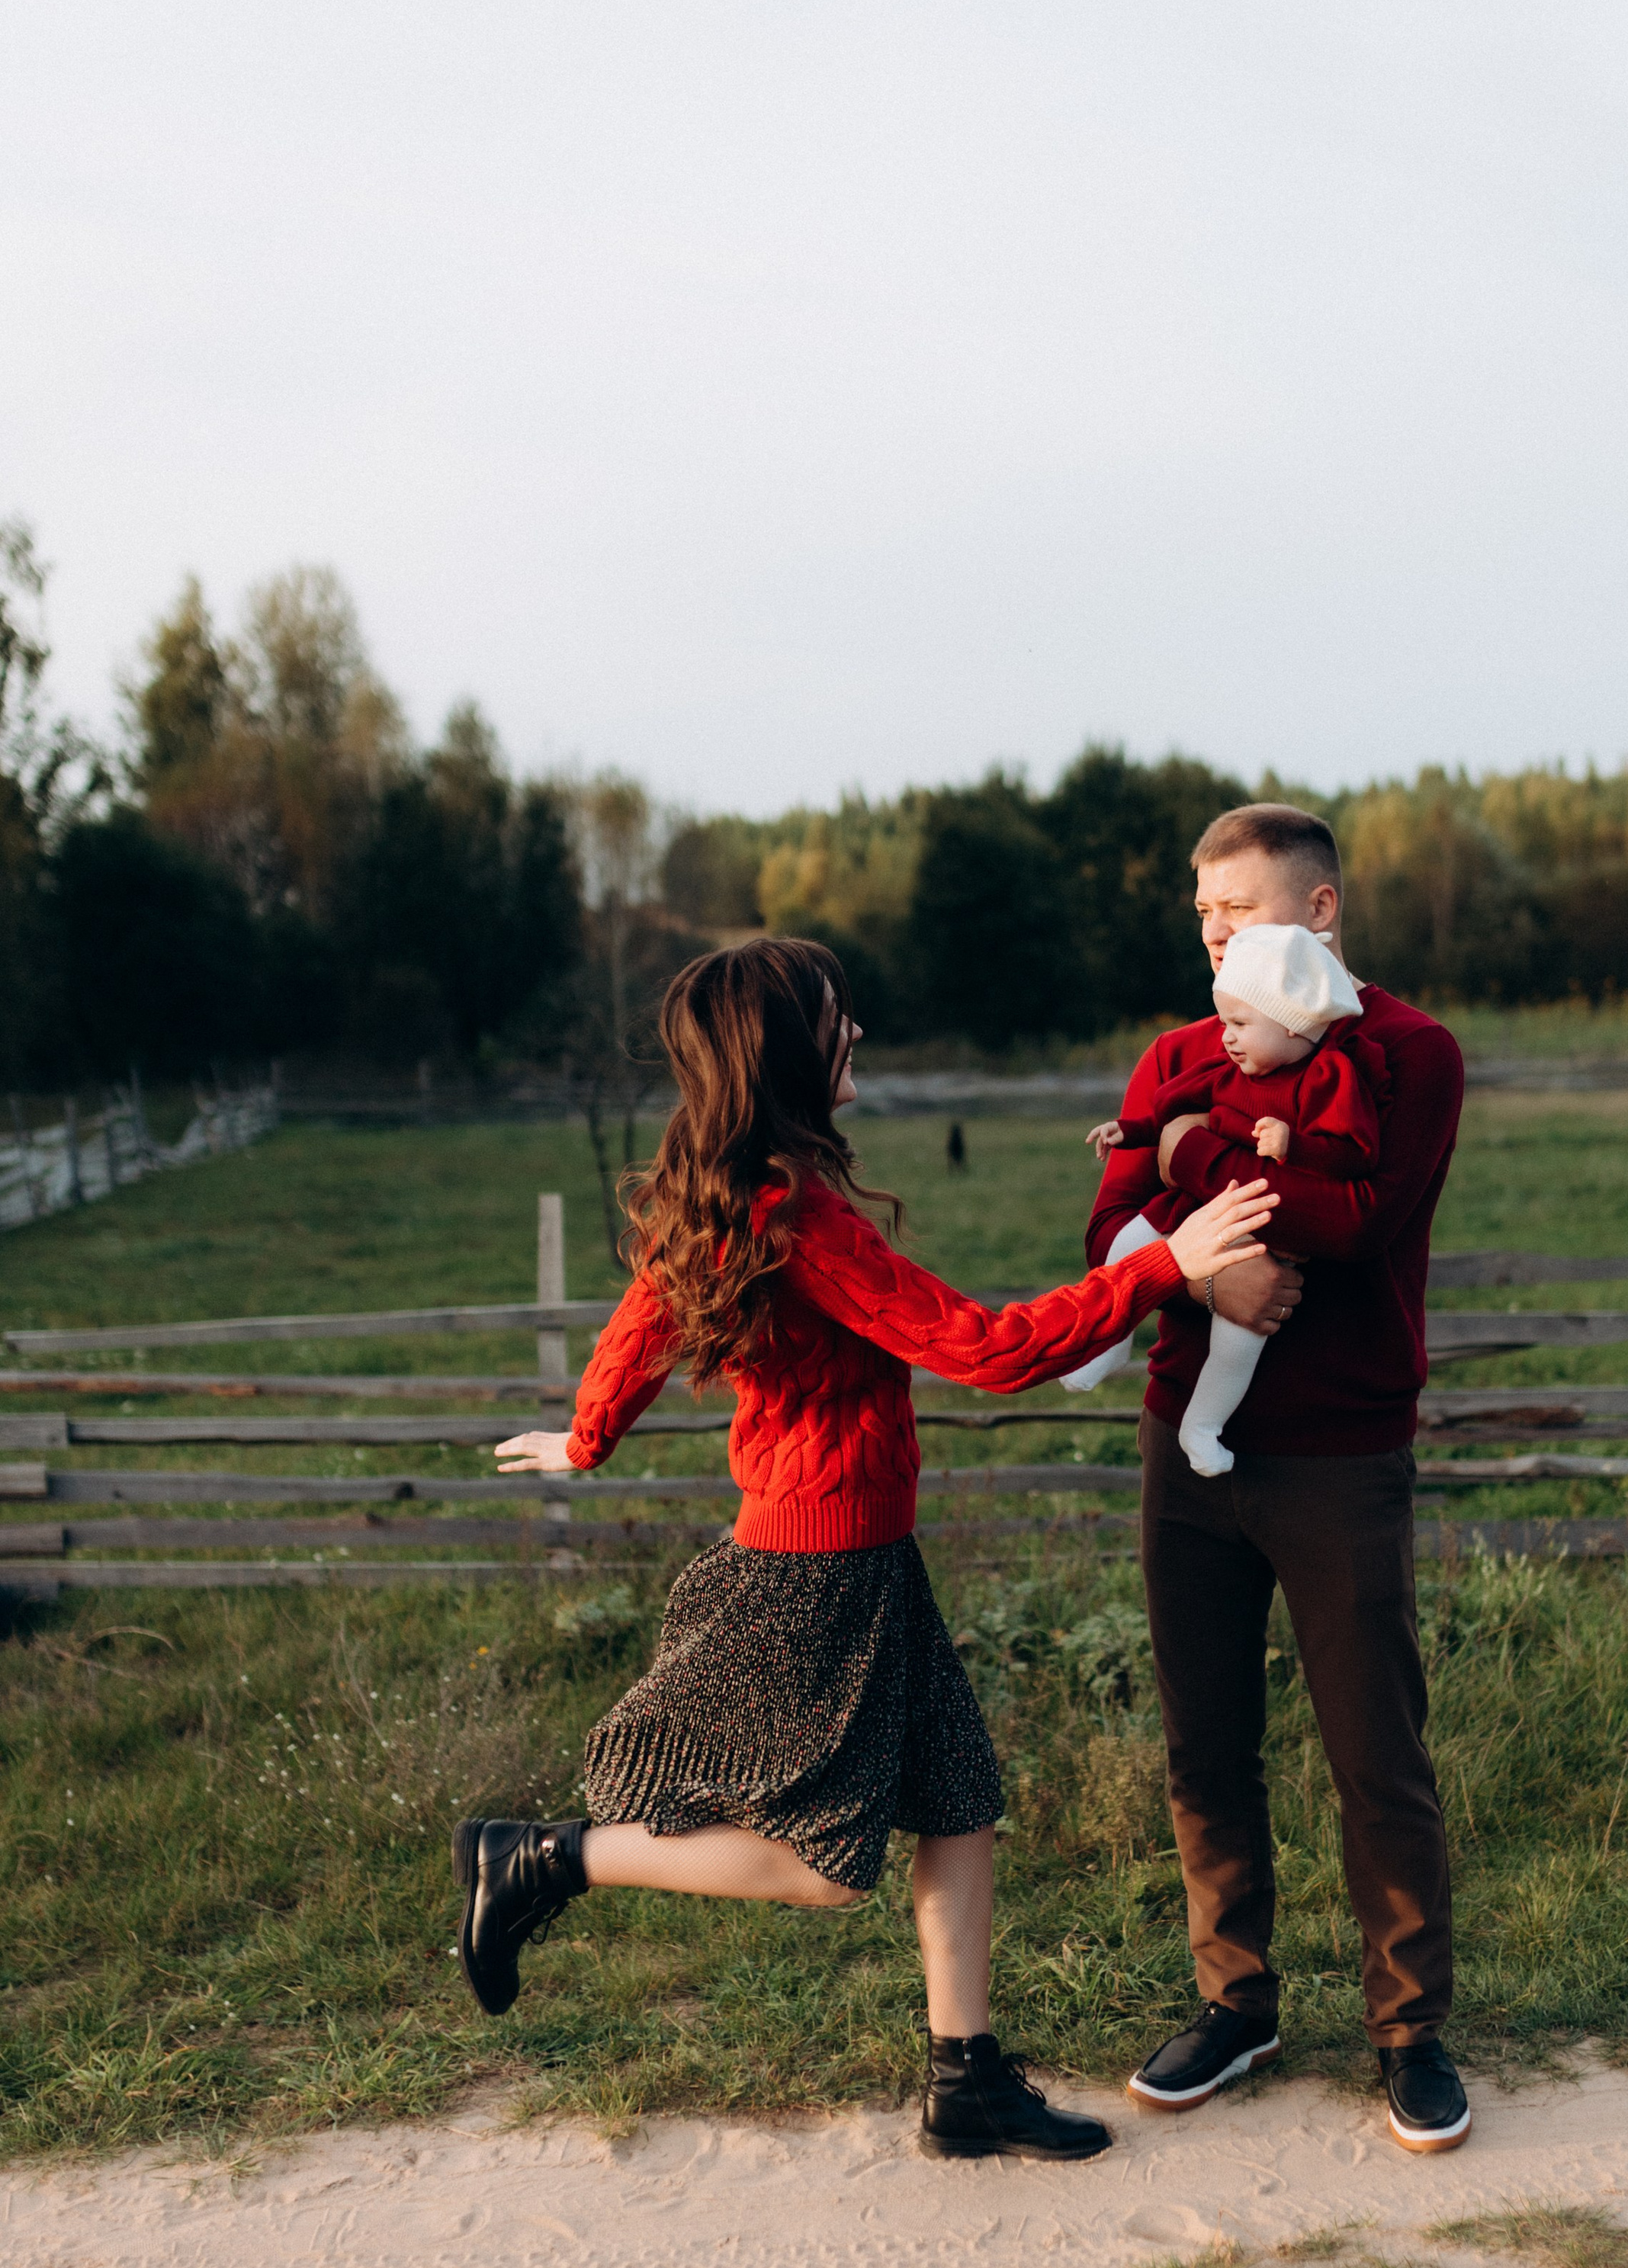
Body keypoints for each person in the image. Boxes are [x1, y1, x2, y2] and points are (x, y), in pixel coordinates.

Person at [450, 935, 1279, 2164]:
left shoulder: (742, 1186)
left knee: (958, 1803)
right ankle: (542, 1859)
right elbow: (988, 1350)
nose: (857, 1035)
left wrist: (588, 1436)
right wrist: (1168, 1266)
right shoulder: (798, 1217)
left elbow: (641, 1313)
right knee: (827, 1864)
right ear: (791, 1048)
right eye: (839, 1017)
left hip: (862, 1552)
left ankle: (965, 2082)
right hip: (816, 1569)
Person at [1086, 807, 1470, 2153]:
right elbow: (1109, 1224)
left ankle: (1409, 2029)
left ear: (1318, 912)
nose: (1211, 933)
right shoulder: (1177, 1052)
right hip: (1187, 1439)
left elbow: (1358, 1224)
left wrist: (1185, 1160)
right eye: (1201, 912)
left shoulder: (1411, 1053)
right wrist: (1210, 1273)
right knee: (1206, 1742)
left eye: (1235, 908)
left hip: (1341, 1450)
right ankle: (1236, 2004)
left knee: (1376, 1751)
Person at [1061, 922, 1384, 1479]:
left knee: (1239, 1339)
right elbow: (1168, 1107)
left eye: (1240, 1023)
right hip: (1195, 1212)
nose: (1227, 1037)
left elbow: (1356, 1152)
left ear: (1292, 1022)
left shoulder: (1329, 1077)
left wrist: (1296, 1144)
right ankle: (1110, 1342)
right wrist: (1128, 1130)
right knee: (1126, 1245)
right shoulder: (1226, 1066)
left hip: (1261, 1237)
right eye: (1225, 1021)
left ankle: (1203, 1427)